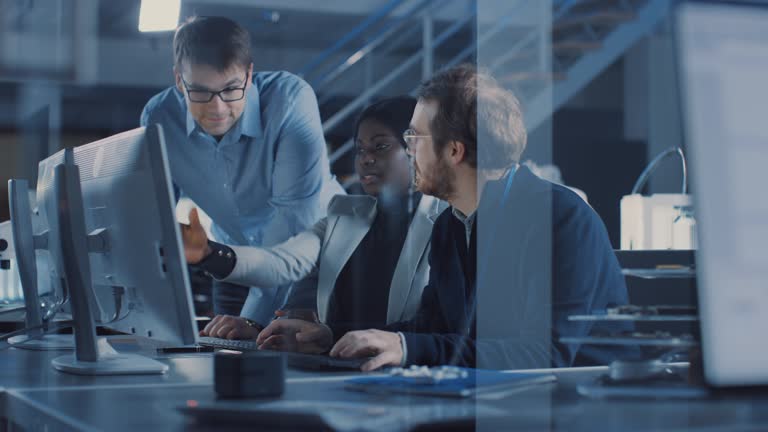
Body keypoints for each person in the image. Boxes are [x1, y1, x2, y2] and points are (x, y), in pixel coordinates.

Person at [326, 65, 637, 371]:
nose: (409, 152)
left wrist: (407, 348)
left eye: (415, 138)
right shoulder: (450, 224)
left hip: (580, 406)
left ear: (454, 152)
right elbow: (433, 327)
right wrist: (334, 337)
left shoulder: (560, 217)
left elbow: (543, 354)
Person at [182, 97, 446, 346]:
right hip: (339, 370)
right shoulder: (343, 214)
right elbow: (281, 262)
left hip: (407, 372)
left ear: (417, 149)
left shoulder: (449, 222)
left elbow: (437, 325)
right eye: (360, 149)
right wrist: (209, 254)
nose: (366, 159)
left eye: (381, 146)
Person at [140, 16, 343, 332]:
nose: (217, 108)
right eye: (200, 92)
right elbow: (153, 219)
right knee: (226, 359)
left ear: (249, 75)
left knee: (291, 367)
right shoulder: (160, 117)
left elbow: (292, 227)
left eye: (231, 89)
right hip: (231, 261)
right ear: (179, 80)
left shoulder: (289, 101)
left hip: (311, 261)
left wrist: (253, 320)